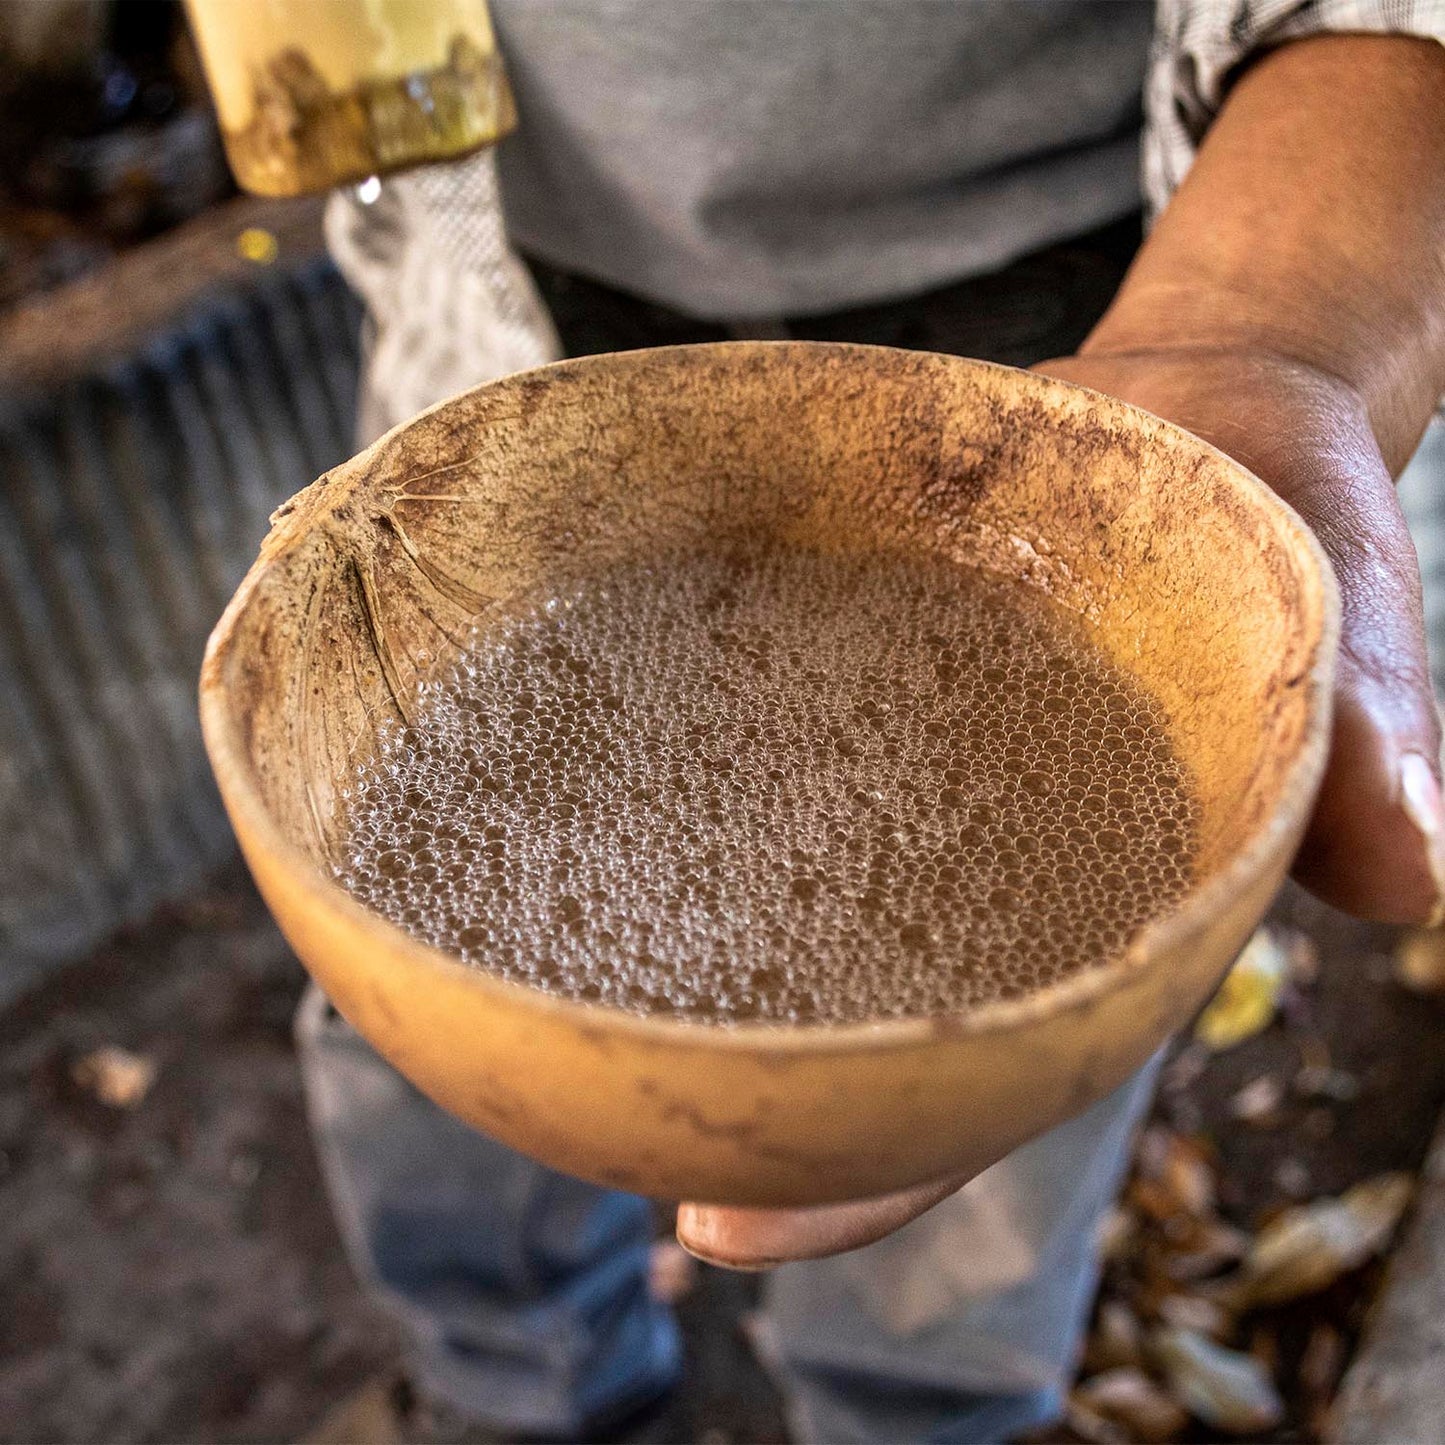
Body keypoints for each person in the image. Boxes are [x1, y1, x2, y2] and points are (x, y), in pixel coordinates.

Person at [298, 5, 1445, 1440]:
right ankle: (506, 1389)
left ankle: (920, 1412)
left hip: (1097, 317)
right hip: (500, 299)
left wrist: (1269, 325)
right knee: (405, 1033)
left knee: (981, 1137)